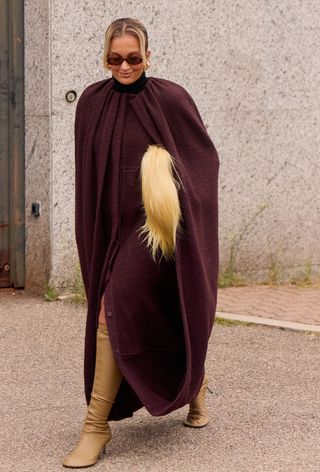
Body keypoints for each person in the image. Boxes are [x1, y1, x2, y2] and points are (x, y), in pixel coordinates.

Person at [62, 17, 219, 469]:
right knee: (149, 309)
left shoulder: (171, 99)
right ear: (104, 59)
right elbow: (87, 176)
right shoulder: (92, 102)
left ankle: (96, 426)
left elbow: (204, 163)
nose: (125, 65)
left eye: (134, 57)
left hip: (155, 229)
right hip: (109, 226)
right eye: (115, 58)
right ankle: (197, 386)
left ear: (149, 56)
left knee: (121, 303)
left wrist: (167, 178)